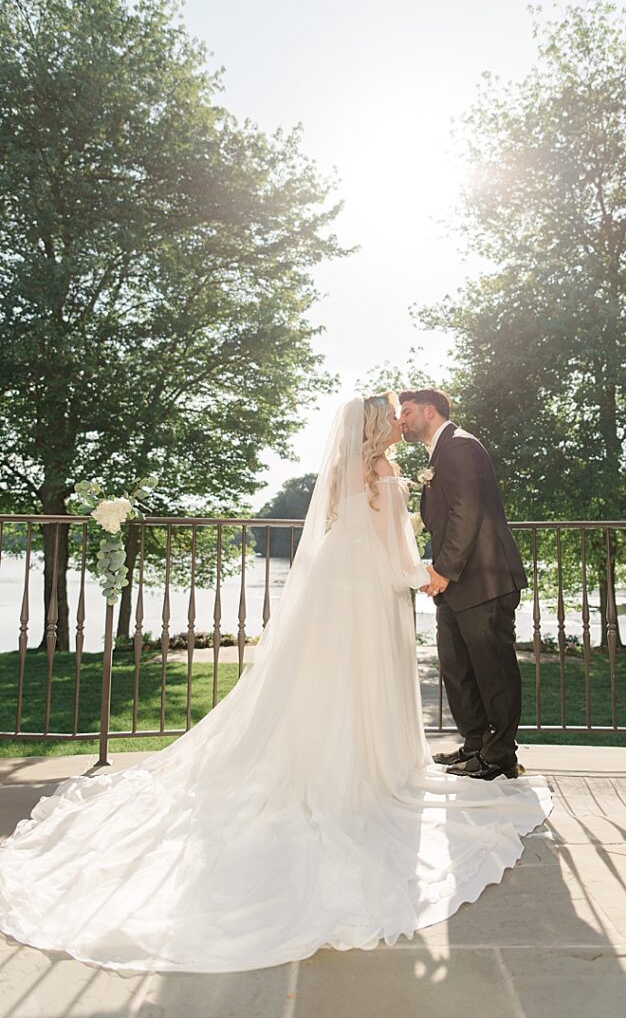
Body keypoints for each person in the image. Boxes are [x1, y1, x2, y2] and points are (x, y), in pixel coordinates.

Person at [0, 394, 551, 973]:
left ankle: (459, 752)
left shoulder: (362, 470)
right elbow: (393, 551)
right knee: (387, 680)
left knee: (355, 683)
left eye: (404, 412)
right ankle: (419, 758)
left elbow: (373, 540)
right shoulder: (386, 474)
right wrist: (421, 575)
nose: (399, 420)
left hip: (359, 598)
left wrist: (428, 570)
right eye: (391, 415)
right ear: (375, 429)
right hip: (381, 599)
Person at [399, 389, 528, 781]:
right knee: (457, 668)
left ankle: (501, 754)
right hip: (457, 585)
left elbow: (465, 512)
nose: (400, 420)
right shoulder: (441, 452)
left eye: (406, 412)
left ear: (429, 411)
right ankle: (475, 745)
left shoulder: (460, 446)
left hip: (484, 580)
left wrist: (443, 570)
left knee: (494, 669)